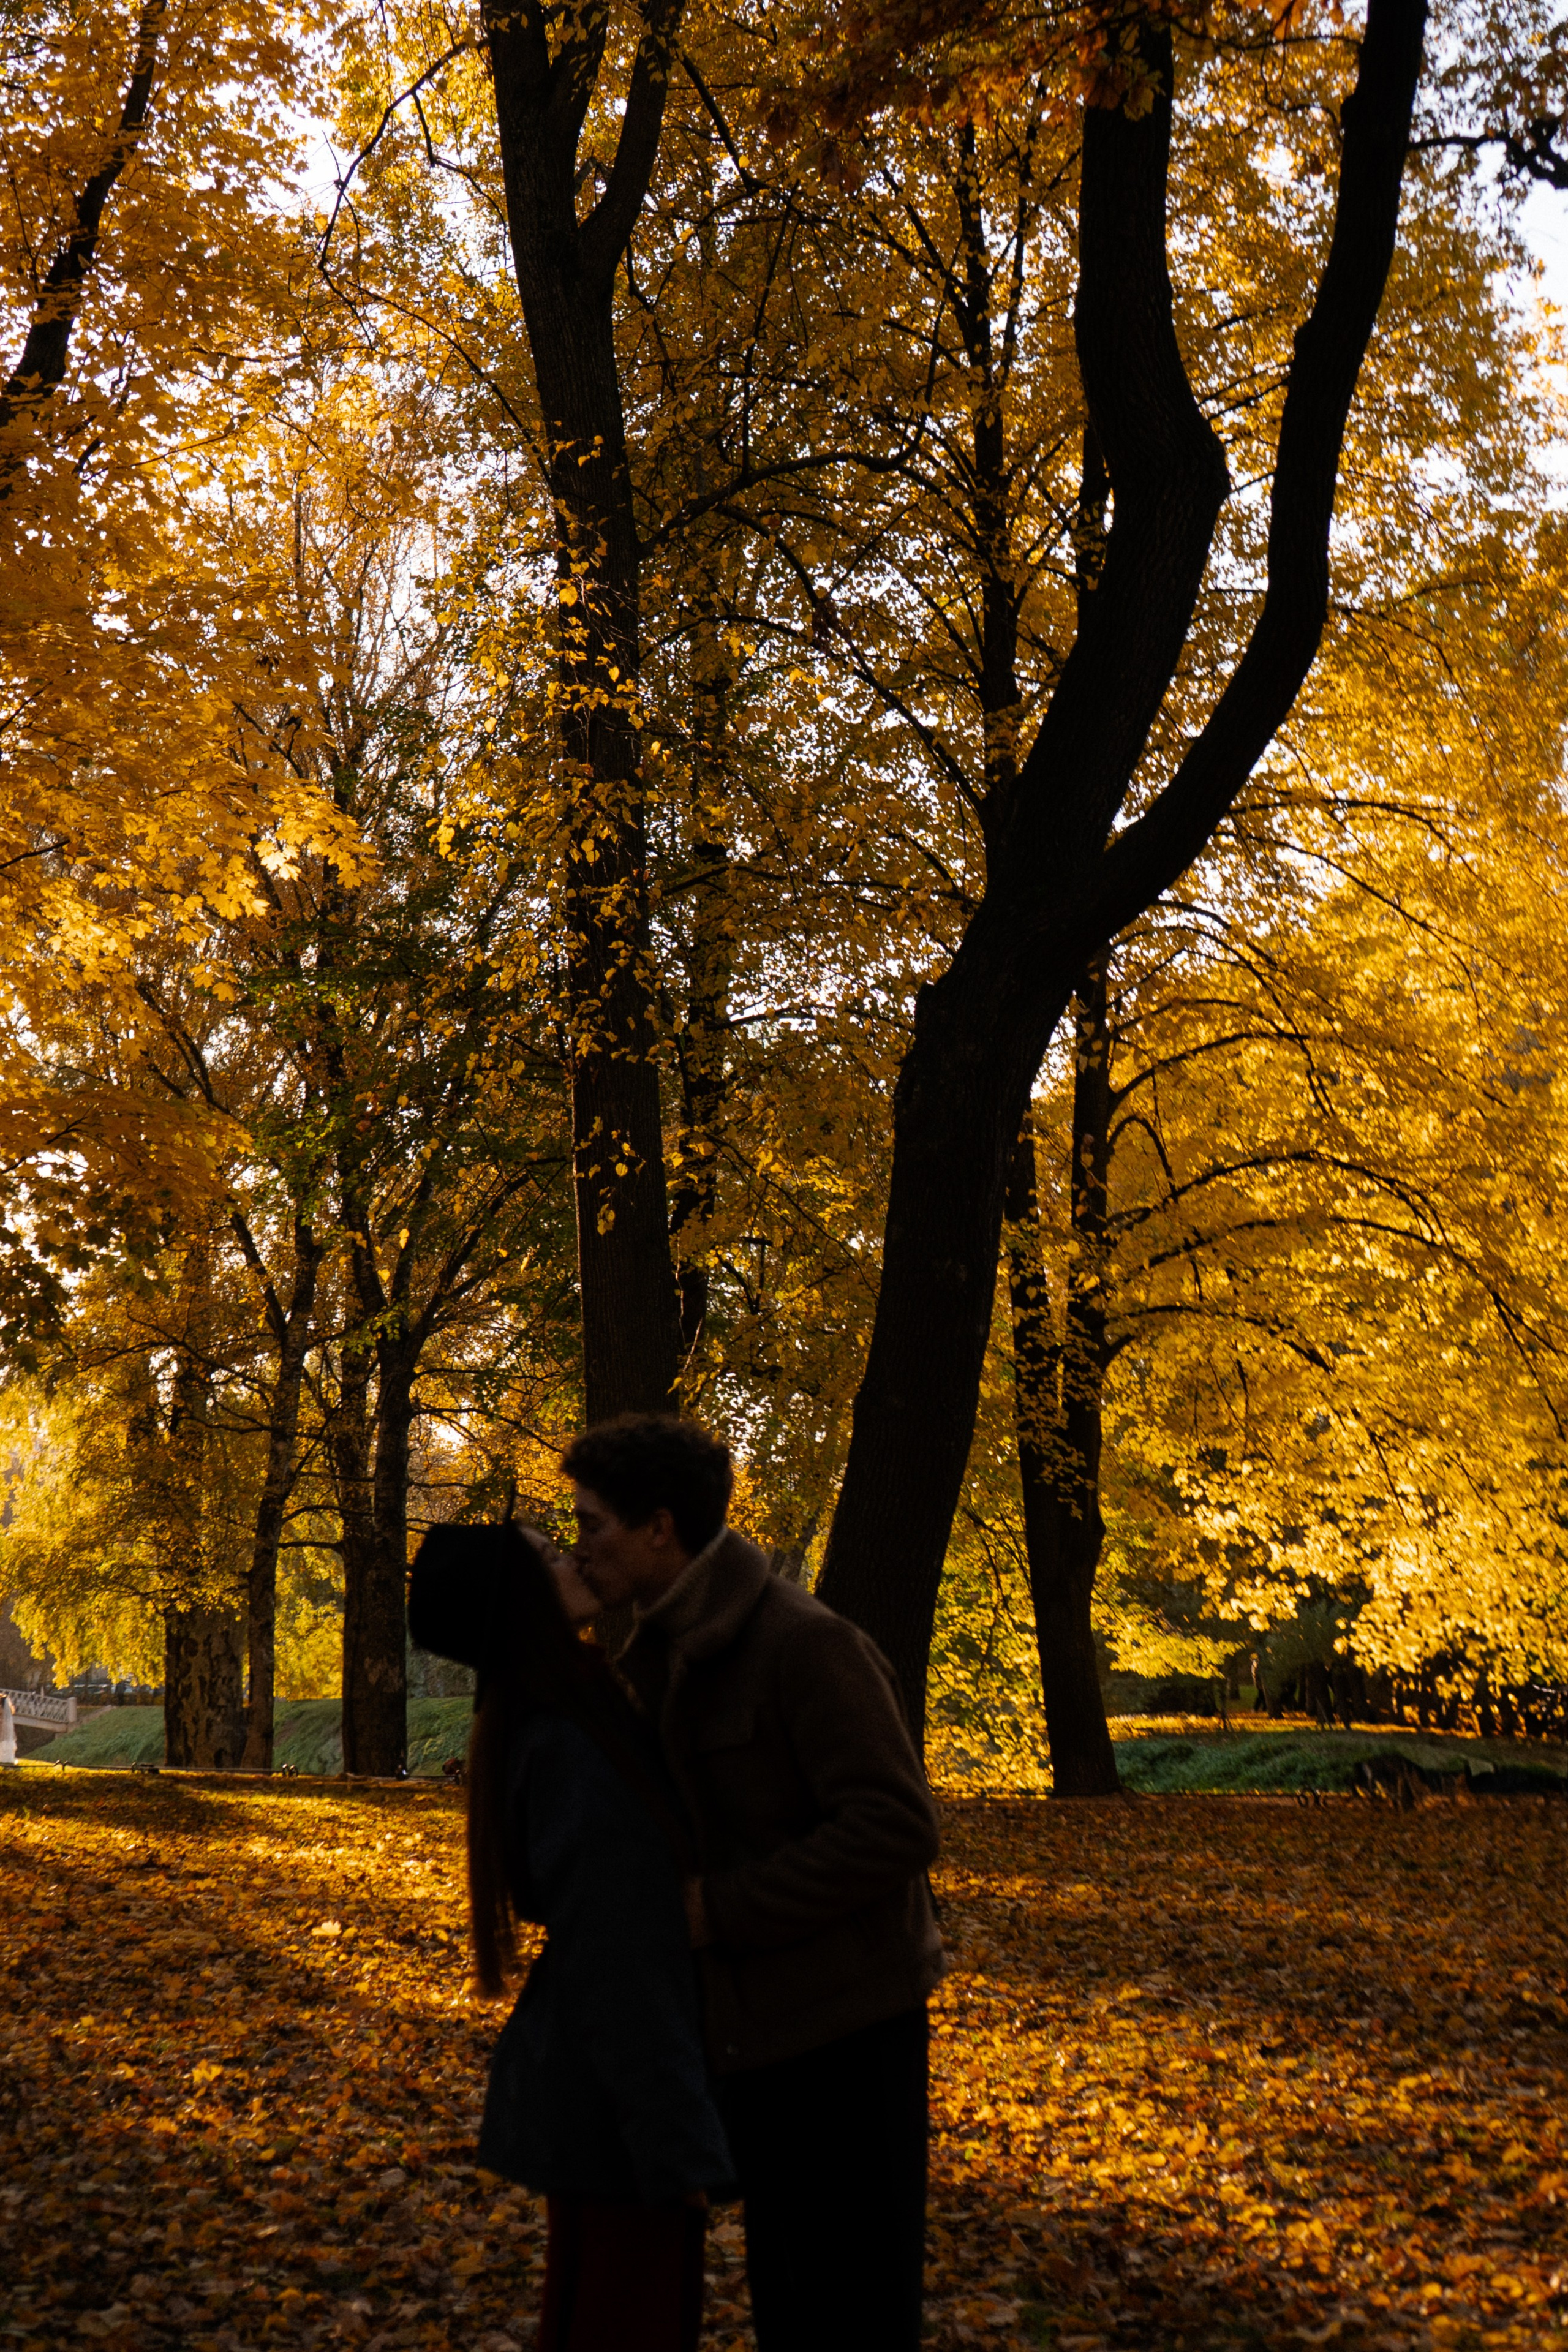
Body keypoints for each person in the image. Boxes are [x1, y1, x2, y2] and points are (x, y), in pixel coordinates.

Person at [564, 1413, 945, 2352]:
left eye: (592, 1524)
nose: (581, 1547)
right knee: (791, 2304)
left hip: (850, 2039)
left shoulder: (805, 1646)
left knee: (850, 2310)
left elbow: (896, 1826)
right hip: (753, 2041)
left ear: (661, 1528)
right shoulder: (650, 1659)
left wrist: (714, 1910)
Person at [408, 1518, 733, 2352]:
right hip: (620, 2118)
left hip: (601, 2107)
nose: (573, 1556)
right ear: (522, 1601)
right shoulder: (567, 1741)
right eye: (549, 1558)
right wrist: (677, 2145)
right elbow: (620, 1956)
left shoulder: (564, 1709)